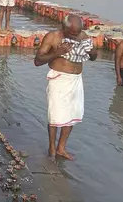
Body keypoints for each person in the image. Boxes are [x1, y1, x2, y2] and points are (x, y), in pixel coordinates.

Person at [34, 15, 97, 160]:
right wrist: (57, 53)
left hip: (76, 80)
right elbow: (37, 61)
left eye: (77, 33)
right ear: (64, 28)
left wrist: (92, 52)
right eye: (72, 34)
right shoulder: (52, 37)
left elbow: (93, 56)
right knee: (55, 115)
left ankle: (61, 148)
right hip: (59, 79)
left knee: (72, 115)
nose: (75, 37)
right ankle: (52, 149)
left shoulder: (83, 36)